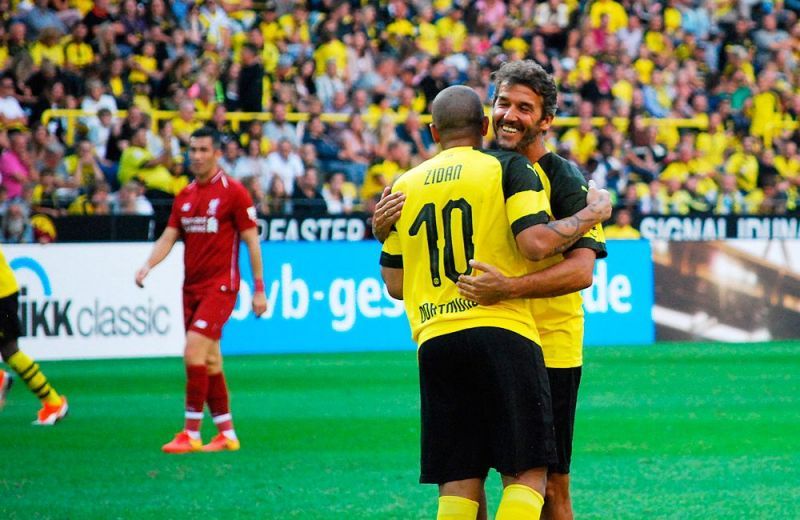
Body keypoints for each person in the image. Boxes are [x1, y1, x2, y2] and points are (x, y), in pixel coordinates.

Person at [374, 61, 608, 520]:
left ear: (545, 120)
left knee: (552, 490)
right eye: (503, 103)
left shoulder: (562, 177)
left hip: (551, 348)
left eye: (525, 108)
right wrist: (382, 229)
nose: (510, 115)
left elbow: (581, 273)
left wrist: (508, 288)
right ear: (487, 113)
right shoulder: (492, 168)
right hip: (501, 336)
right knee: (478, 477)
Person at [135, 128, 267, 454]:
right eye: (192, 149)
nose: (196, 155)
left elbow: (252, 242)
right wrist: (148, 265)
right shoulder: (185, 195)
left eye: (203, 149)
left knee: (193, 352)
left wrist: (259, 290)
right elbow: (169, 236)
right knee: (209, 361)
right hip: (191, 288)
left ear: (216, 153)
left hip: (221, 287)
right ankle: (226, 433)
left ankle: (191, 432)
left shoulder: (234, 193)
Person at [0, 245, 69, 424]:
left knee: (10, 351)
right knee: (10, 352)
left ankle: (54, 403)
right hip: (5, 290)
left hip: (2, 293)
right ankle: (53, 402)